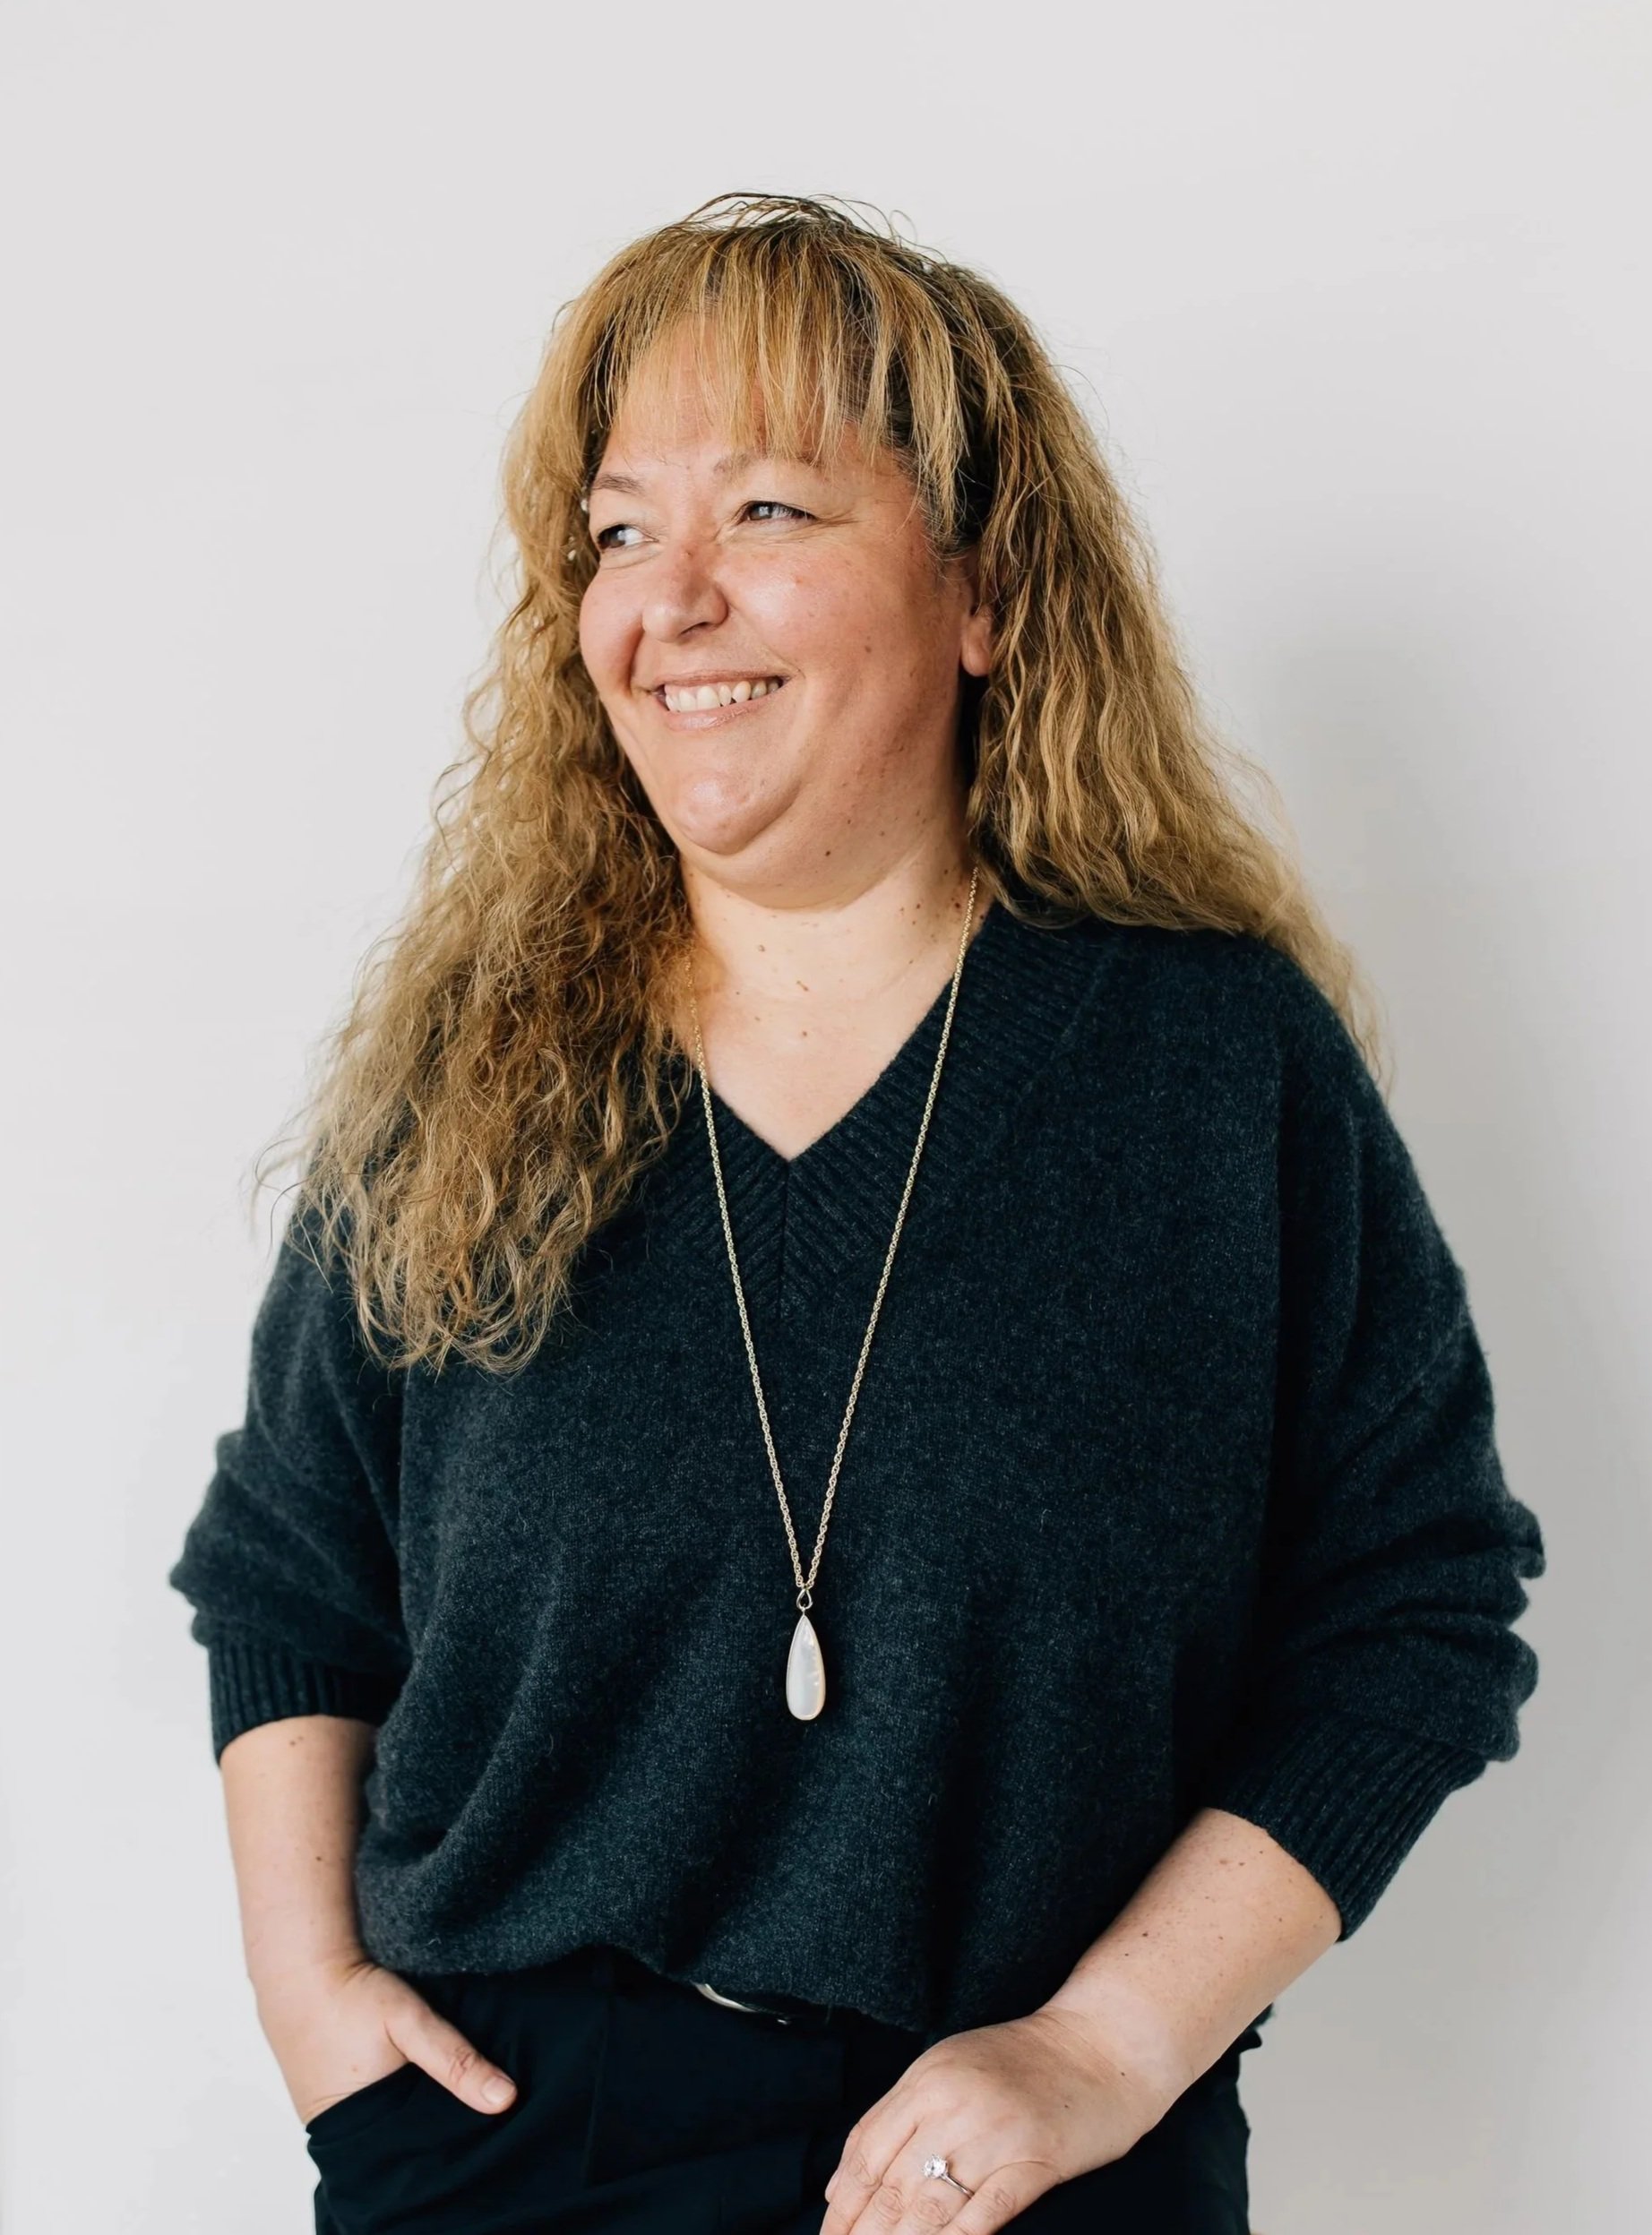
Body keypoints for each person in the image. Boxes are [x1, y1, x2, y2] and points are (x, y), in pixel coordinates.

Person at [167, 191, 1546, 2235]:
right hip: (509, 2148)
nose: (673, 600)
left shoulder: (1207, 1068)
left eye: (773, 515)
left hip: (1024, 2159)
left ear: (982, 593)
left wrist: (1102, 2051)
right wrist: (317, 2014)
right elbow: (293, 1572)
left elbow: (1412, 1611)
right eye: (620, 531)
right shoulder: (476, 1072)